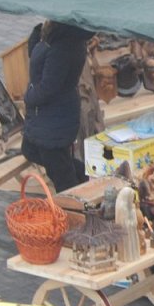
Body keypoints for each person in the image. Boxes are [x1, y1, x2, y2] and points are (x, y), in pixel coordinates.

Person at [22, 20, 94, 192]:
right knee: (31, 150)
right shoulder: (57, 37)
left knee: (63, 179)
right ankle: (86, 179)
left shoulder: (63, 46)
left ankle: (76, 209)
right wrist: (39, 31)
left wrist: (29, 97)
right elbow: (36, 54)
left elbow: (49, 87)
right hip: (47, 116)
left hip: (54, 119)